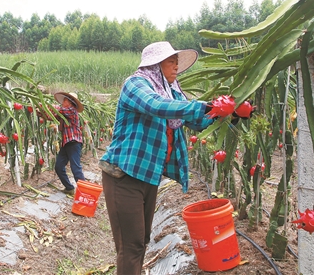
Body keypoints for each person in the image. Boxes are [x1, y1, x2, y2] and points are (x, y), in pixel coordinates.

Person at [100, 41, 214, 274]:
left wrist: (224, 112)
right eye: (171, 61)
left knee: (141, 241)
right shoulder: (135, 85)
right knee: (130, 246)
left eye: (177, 62)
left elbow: (196, 120)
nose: (176, 67)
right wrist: (200, 106)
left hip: (148, 176)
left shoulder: (170, 91)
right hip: (123, 176)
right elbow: (156, 106)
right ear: (155, 64)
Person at [52, 92, 86, 195]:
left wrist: (49, 106)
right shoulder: (64, 113)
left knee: (75, 168)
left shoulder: (72, 110)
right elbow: (53, 116)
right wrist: (40, 112)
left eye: (65, 101)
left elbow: (58, 110)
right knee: (58, 166)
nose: (63, 102)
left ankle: (84, 193)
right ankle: (69, 188)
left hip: (74, 142)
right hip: (66, 143)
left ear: (71, 103)